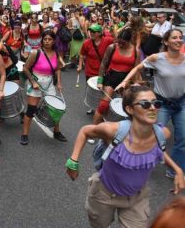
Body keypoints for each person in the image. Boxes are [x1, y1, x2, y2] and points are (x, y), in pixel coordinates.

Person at [65, 85, 184, 228]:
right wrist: (73, 161)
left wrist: (177, 169)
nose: (153, 108)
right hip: (104, 194)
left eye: (156, 103)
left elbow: (158, 150)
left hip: (137, 198)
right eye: (145, 104)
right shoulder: (112, 130)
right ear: (130, 109)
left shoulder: (162, 134)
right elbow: (85, 131)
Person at [116, 29, 185, 178]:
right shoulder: (156, 58)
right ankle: (141, 160)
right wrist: (125, 81)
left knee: (183, 137)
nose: (179, 40)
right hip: (161, 104)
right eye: (174, 37)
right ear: (166, 42)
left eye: (181, 37)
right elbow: (137, 67)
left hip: (181, 104)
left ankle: (174, 171)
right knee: (153, 134)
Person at [21, 30, 67, 145]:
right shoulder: (35, 53)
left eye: (49, 39)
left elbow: (57, 69)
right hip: (36, 81)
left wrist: (59, 83)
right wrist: (33, 82)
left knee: (54, 109)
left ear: (53, 41)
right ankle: (25, 134)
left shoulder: (56, 53)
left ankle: (57, 131)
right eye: (45, 39)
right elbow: (25, 68)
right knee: (31, 110)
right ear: (42, 40)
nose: (47, 41)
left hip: (49, 82)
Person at [93, 28, 141, 124]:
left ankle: (123, 129)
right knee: (103, 105)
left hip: (126, 79)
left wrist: (135, 84)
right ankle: (93, 129)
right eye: (119, 42)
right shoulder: (112, 47)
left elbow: (136, 70)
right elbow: (103, 64)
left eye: (123, 43)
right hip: (112, 77)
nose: (120, 45)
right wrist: (99, 81)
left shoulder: (136, 51)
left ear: (130, 40)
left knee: (128, 106)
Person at [78, 24, 114, 114]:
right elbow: (82, 54)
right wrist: (79, 65)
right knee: (91, 89)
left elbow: (117, 43)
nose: (91, 33)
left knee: (104, 89)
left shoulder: (108, 40)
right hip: (90, 71)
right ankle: (92, 106)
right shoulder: (86, 43)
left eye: (94, 32)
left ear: (99, 33)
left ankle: (103, 106)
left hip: (104, 71)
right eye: (90, 31)